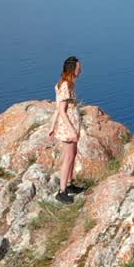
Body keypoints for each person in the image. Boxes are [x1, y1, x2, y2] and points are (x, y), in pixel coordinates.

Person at [48, 55, 83, 203]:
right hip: (68, 128)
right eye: (78, 67)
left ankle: (69, 185)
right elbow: (62, 110)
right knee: (68, 158)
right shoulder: (65, 87)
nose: (80, 69)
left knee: (73, 155)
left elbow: (58, 108)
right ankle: (61, 191)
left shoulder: (69, 84)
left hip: (71, 126)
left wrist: (51, 125)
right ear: (72, 69)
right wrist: (71, 131)